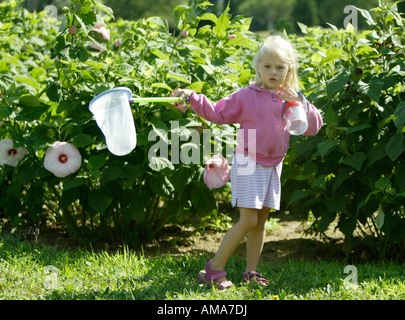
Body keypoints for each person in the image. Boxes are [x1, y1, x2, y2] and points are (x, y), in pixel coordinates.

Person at [172, 35, 323, 289]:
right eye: (267, 66)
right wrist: (193, 97)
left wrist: (301, 101)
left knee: (261, 221)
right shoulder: (247, 96)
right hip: (248, 162)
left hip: (274, 165)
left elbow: (313, 128)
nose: (273, 72)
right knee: (249, 220)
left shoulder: (291, 100)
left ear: (289, 70)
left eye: (280, 67)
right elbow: (217, 112)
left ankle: (251, 272)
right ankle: (213, 269)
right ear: (258, 68)